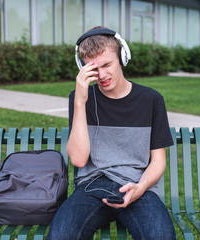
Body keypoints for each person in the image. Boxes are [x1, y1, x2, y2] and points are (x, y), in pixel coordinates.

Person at [46, 26, 176, 240]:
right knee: (61, 235)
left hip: (137, 186)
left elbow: (159, 160)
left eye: (107, 64)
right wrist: (80, 101)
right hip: (91, 187)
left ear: (123, 57)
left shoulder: (151, 99)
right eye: (92, 69)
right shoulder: (80, 98)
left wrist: (141, 187)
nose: (102, 75)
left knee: (160, 236)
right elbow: (78, 159)